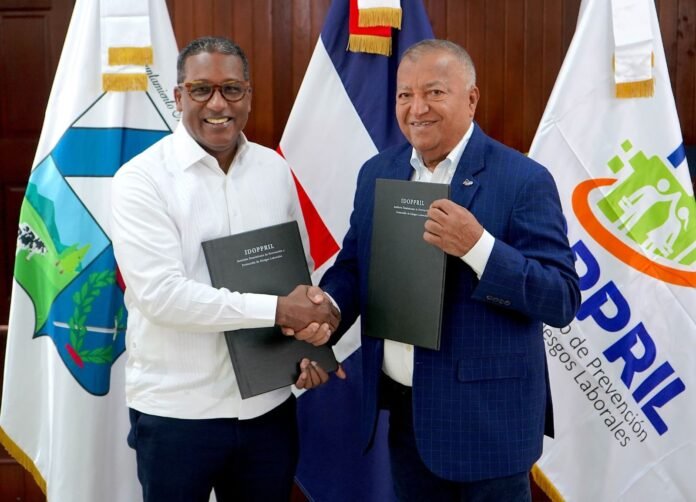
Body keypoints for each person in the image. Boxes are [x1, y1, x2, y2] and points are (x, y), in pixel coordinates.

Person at [307, 39, 581, 501]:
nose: (417, 108)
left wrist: (479, 248)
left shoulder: (524, 180)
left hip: (489, 427)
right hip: (406, 420)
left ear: (471, 99)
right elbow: (354, 266)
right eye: (405, 95)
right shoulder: (377, 172)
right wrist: (328, 310)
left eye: (434, 92)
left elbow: (560, 298)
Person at [111, 36, 341, 502]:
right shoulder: (140, 179)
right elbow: (163, 297)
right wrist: (282, 311)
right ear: (179, 97)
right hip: (178, 416)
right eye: (201, 89)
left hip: (268, 410)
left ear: (248, 95)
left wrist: (313, 336)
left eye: (232, 89)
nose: (218, 104)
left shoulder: (274, 169)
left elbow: (297, 274)